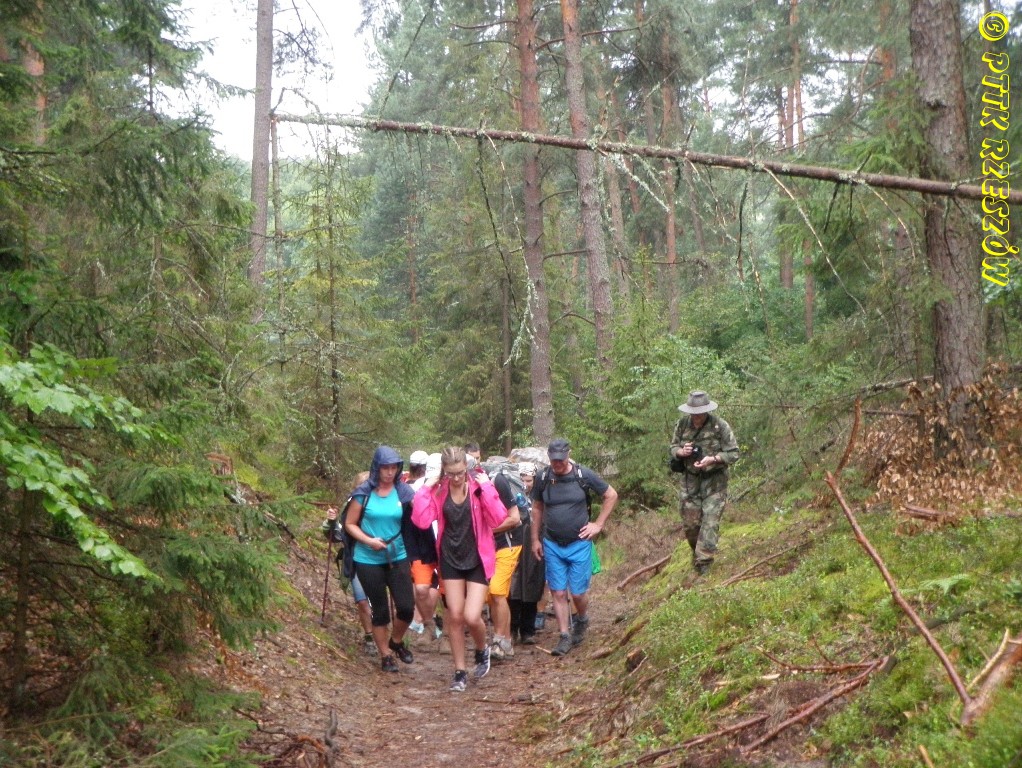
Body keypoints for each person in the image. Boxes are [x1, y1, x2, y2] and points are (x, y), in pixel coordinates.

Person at [412, 446, 509, 692]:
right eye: (451, 473)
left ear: (466, 468)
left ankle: (482, 649)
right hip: (450, 558)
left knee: (471, 616)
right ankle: (459, 672)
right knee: (454, 616)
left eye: (460, 472)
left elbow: (498, 517)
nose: (456, 478)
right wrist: (426, 487)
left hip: (477, 558)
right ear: (444, 471)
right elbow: (421, 520)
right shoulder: (440, 490)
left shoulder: (478, 487)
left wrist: (487, 488)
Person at [531, 438, 618, 657]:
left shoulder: (583, 475)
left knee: (578, 594)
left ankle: (582, 618)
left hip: (579, 543)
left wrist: (598, 524)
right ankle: (564, 635)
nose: (557, 464)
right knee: (558, 591)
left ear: (568, 455)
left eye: (561, 460)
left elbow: (611, 494)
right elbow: (537, 508)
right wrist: (535, 539)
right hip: (552, 542)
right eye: (554, 460)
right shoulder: (543, 477)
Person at [344, 446, 417, 673]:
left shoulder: (403, 492)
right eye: (386, 468)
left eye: (394, 468)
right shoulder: (363, 493)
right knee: (380, 610)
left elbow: (418, 515)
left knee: (406, 608)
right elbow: (349, 524)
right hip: (367, 559)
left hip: (397, 554)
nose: (390, 472)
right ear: (377, 467)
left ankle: (396, 642)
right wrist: (369, 541)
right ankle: (385, 655)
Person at [669, 390, 740, 577]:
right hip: (690, 482)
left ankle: (705, 564)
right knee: (691, 525)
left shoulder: (720, 426)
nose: (697, 416)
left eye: (700, 412)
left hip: (715, 482)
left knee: (710, 521)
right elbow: (673, 447)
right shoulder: (682, 425)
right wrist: (681, 452)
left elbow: (734, 453)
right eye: (694, 413)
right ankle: (697, 555)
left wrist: (713, 459)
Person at [484, 463, 525, 661]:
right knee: (493, 596)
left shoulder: (497, 481)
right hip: (489, 547)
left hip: (509, 543)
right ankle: (506, 642)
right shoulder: (467, 486)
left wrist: (487, 531)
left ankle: (499, 640)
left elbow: (514, 518)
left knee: (496, 590)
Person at [405, 450, 442, 639]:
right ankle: (429, 623)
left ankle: (444, 632)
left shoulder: (453, 487)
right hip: (422, 546)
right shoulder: (416, 488)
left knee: (446, 592)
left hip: (447, 547)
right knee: (421, 588)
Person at [508, 462, 544, 645]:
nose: (525, 483)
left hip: (533, 542)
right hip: (515, 541)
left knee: (532, 583)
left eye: (529, 480)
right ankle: (512, 628)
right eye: (523, 479)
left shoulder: (540, 494)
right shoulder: (511, 493)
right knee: (513, 586)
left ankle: (528, 630)